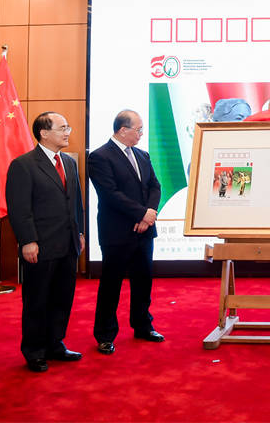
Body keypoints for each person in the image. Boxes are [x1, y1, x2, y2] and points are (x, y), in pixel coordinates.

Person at [6, 112, 85, 372]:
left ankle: (55, 344)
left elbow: (76, 203)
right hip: (40, 246)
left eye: (68, 127)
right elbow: (19, 209)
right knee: (37, 300)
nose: (68, 132)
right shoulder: (23, 165)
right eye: (62, 128)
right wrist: (28, 240)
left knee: (62, 298)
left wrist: (80, 233)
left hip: (68, 244)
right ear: (44, 133)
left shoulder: (69, 163)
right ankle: (34, 351)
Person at [88, 110, 163, 355]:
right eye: (138, 129)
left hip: (144, 231)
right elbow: (110, 194)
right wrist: (141, 214)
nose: (141, 134)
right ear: (122, 130)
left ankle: (143, 326)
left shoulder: (142, 155)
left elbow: (154, 186)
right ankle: (105, 334)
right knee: (111, 285)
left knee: (143, 281)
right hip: (117, 232)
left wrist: (148, 215)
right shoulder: (100, 157)